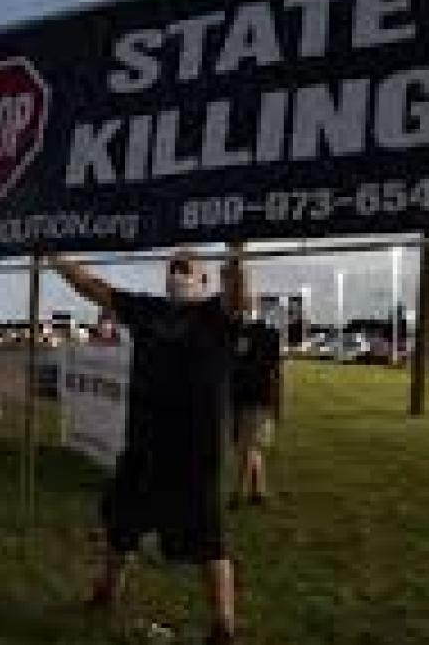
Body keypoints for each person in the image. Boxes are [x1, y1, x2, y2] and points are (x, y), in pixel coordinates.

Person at [49, 242, 249, 645]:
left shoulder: (217, 314)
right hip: (143, 443)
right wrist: (56, 257)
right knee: (122, 525)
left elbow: (239, 294)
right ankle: (106, 593)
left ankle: (223, 625)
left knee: (207, 540)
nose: (177, 272)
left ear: (204, 277)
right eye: (172, 266)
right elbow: (92, 287)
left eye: (185, 266)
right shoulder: (147, 309)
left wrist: (236, 251)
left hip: (194, 451)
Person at [229, 312, 282, 508]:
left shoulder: (248, 335)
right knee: (251, 445)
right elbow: (276, 374)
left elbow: (275, 373)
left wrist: (276, 403)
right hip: (248, 397)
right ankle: (258, 490)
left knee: (246, 445)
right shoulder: (261, 335)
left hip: (252, 398)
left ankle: (238, 492)